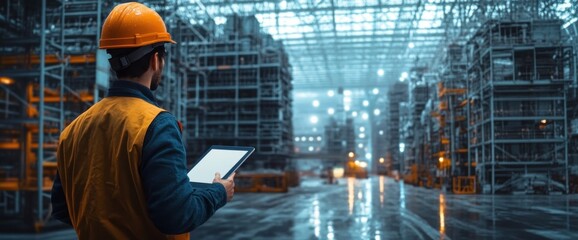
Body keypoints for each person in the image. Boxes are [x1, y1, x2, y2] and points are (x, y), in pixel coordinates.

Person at [50, 2, 235, 239]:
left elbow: (63, 208)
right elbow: (177, 216)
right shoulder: (157, 124)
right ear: (155, 60)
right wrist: (218, 191)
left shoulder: (73, 129)